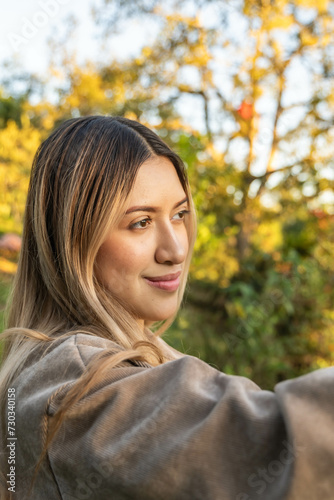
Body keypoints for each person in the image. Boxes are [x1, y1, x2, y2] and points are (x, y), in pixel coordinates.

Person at [0, 115, 333, 500]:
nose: (175, 249)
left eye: (179, 214)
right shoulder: (78, 388)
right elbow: (284, 447)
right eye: (140, 223)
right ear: (72, 241)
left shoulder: (64, 368)